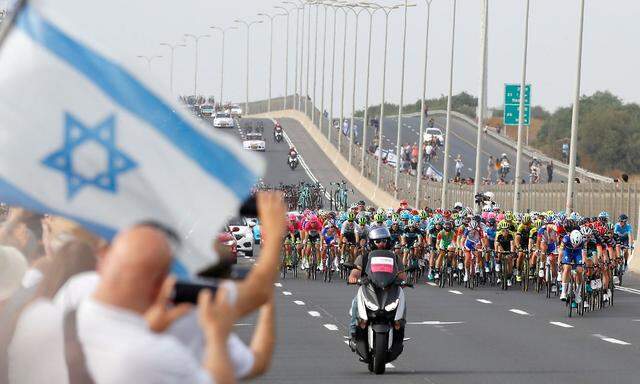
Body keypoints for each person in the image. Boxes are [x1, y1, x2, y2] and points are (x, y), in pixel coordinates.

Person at [347, 227, 405, 347]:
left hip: (389, 289)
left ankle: (399, 328)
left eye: (384, 241)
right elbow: (355, 271)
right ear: (372, 242)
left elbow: (402, 274)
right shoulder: (364, 258)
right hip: (369, 289)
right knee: (355, 303)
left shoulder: (395, 258)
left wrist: (402, 280)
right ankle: (353, 332)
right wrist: (353, 277)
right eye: (378, 241)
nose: (381, 244)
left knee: (401, 302)